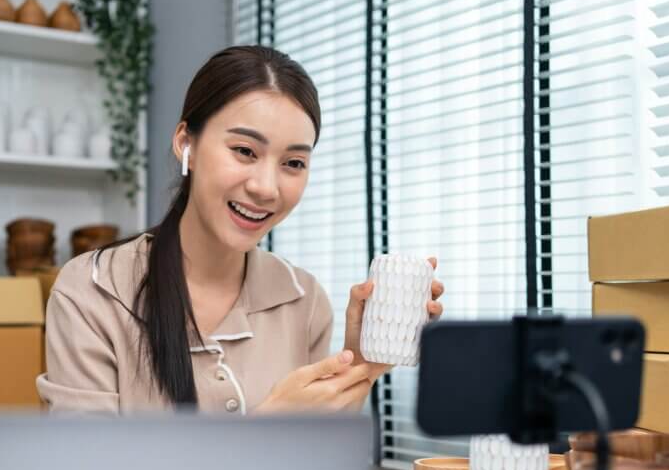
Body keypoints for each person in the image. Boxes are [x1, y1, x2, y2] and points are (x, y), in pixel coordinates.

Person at [37, 45, 444, 414]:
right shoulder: (93, 291)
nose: (266, 187)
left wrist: (359, 365)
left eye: (293, 163)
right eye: (245, 151)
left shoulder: (303, 300)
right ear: (186, 144)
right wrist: (266, 428)